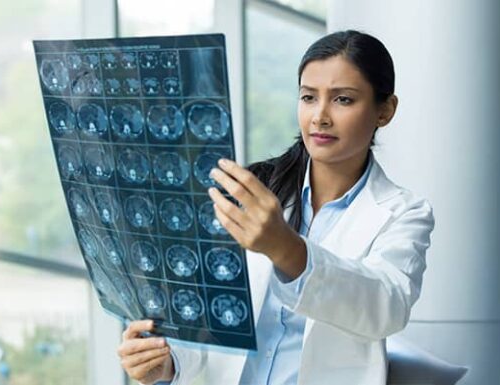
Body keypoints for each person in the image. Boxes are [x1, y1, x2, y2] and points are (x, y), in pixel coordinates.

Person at [116, 30, 435, 385]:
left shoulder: (405, 213)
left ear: (385, 111)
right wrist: (169, 360)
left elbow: (384, 307)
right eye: (308, 97)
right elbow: (215, 318)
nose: (320, 116)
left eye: (343, 100)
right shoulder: (255, 189)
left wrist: (286, 248)